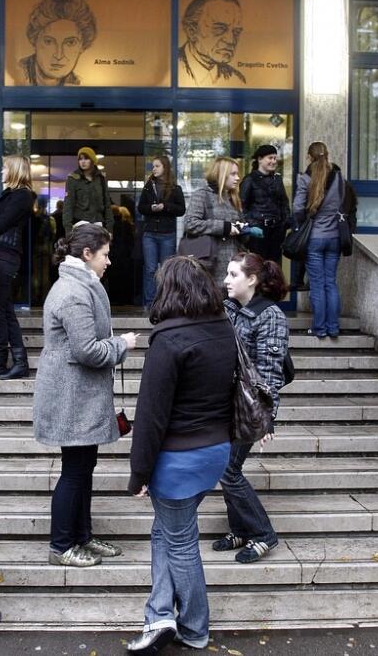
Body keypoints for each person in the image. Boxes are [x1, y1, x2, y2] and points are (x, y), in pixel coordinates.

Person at [126, 256, 238, 653]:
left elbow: (151, 415)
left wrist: (138, 473)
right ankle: (158, 614)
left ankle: (194, 627)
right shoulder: (223, 328)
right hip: (215, 450)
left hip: (178, 458)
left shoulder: (169, 339)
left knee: (181, 542)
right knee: (168, 531)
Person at [33, 223, 138, 567]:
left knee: (82, 468)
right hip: (72, 398)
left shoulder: (80, 285)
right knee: (75, 471)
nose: (110, 261)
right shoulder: (73, 292)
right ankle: (62, 545)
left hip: (79, 396)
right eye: (105, 254)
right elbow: (88, 351)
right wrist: (122, 344)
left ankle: (82, 537)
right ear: (87, 254)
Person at [213, 252, 289, 564]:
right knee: (226, 468)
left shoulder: (270, 316)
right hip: (228, 404)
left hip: (249, 407)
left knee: (229, 470)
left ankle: (263, 533)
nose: (226, 281)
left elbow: (270, 373)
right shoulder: (230, 307)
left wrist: (265, 418)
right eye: (227, 274)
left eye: (233, 275)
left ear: (252, 280)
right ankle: (241, 529)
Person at [0, 155, 35, 381]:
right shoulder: (9, 196)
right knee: (5, 311)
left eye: (4, 168)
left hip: (6, 258)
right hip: (0, 256)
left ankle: (0, 362)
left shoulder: (22, 196)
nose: (1, 172)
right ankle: (19, 362)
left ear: (14, 171)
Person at [293, 141, 346, 339]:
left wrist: (301, 222)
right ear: (327, 154)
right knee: (330, 283)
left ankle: (320, 328)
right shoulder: (338, 176)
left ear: (309, 156)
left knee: (317, 284)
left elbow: (297, 208)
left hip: (314, 237)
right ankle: (333, 328)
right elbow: (342, 201)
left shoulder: (305, 178)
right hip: (334, 237)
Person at [184, 156, 244, 287]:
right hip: (209, 261)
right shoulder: (202, 194)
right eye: (233, 174)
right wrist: (224, 227)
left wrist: (244, 229)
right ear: (222, 174)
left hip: (232, 263)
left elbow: (237, 225)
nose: (238, 178)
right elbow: (190, 223)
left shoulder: (233, 197)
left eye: (237, 174)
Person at [19, 0, 97, 86]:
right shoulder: (17, 73)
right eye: (48, 41)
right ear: (34, 41)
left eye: (70, 43)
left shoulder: (76, 84)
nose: (59, 56)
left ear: (82, 46)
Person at [137, 155, 186, 307]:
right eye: (153, 166)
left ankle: (166, 302)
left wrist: (166, 207)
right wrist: (150, 208)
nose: (154, 169)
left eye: (157, 166)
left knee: (166, 269)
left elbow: (181, 210)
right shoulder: (148, 186)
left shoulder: (175, 188)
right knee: (150, 269)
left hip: (167, 234)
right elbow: (140, 207)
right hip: (150, 233)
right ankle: (150, 303)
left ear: (165, 167)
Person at [178, 0, 245, 86]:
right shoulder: (170, 66)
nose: (231, 41)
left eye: (236, 32)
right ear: (191, 31)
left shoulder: (237, 79)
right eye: (219, 29)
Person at [240, 145, 290, 264]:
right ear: (260, 159)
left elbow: (284, 203)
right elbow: (242, 205)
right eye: (270, 158)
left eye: (275, 158)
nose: (273, 161)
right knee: (258, 265)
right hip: (258, 230)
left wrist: (284, 223)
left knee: (274, 266)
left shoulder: (277, 179)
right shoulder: (249, 179)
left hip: (277, 230)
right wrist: (251, 225)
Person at [63, 147, 111, 232]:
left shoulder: (101, 179)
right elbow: (68, 205)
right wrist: (68, 229)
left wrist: (110, 228)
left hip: (98, 223)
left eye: (86, 158)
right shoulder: (73, 179)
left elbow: (107, 204)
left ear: (92, 160)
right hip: (80, 223)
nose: (83, 162)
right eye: (80, 159)